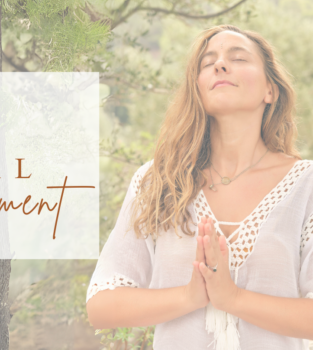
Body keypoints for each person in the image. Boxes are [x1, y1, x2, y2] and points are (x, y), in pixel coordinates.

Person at [86, 25, 313, 350]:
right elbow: (101, 305)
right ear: (198, 89)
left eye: (238, 58)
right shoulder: (157, 181)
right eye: (208, 63)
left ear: (270, 90)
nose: (221, 65)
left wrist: (233, 298)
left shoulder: (307, 184)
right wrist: (190, 295)